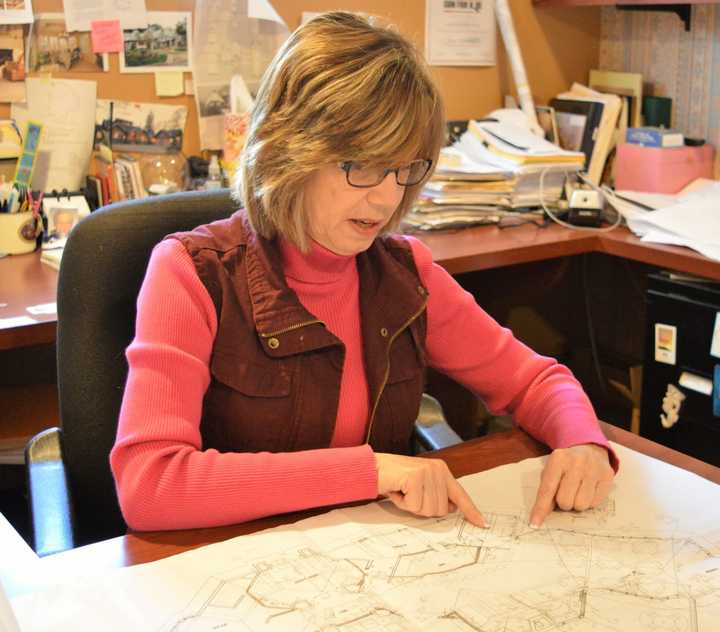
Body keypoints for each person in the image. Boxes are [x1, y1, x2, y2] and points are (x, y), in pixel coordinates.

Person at [111, 11, 616, 533]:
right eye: (363, 164)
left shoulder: (404, 275)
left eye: (405, 168)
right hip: (224, 569)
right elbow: (150, 485)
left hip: (369, 566)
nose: (387, 196)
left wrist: (582, 440)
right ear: (290, 149)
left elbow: (535, 380)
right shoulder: (194, 274)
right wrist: (369, 471)